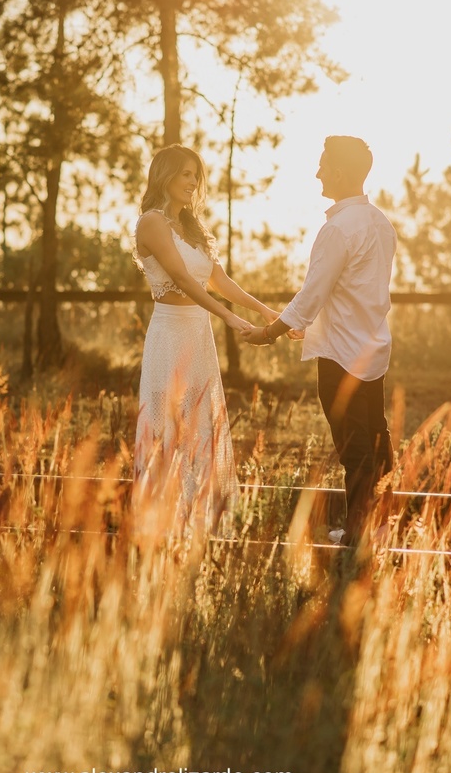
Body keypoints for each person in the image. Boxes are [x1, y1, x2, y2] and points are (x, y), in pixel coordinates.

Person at [242, 135, 396, 548]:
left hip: (340, 355)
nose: (317, 173)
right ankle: (377, 524)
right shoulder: (380, 222)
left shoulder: (337, 229)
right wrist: (303, 325)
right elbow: (357, 291)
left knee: (354, 444)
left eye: (323, 165)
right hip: (372, 348)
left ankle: (359, 533)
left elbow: (313, 294)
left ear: (340, 173)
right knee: (376, 436)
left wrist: (268, 333)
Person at [132, 144, 278, 537]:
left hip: (198, 334)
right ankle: (162, 519)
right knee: (169, 423)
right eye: (184, 174)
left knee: (201, 422)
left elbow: (220, 282)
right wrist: (228, 318)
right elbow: (180, 278)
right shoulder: (151, 222)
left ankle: (202, 519)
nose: (192, 182)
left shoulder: (194, 228)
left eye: (196, 175)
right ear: (164, 175)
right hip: (170, 333)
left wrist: (264, 311)